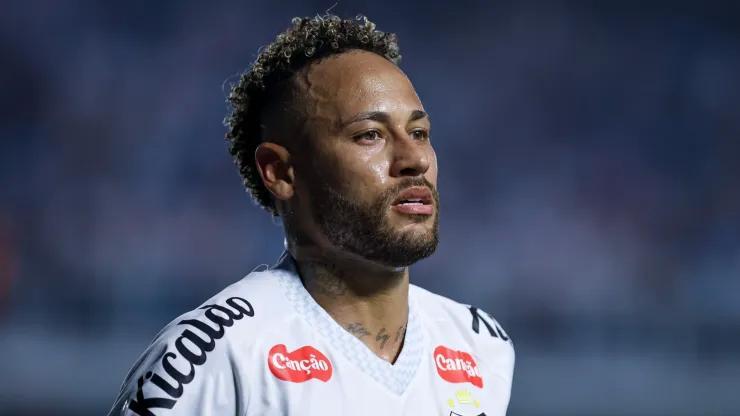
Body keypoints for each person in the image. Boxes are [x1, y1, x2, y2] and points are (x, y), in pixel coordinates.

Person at [108, 14, 514, 416]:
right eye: (369, 135)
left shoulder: (481, 348)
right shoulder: (215, 358)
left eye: (419, 133)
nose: (415, 159)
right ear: (281, 172)